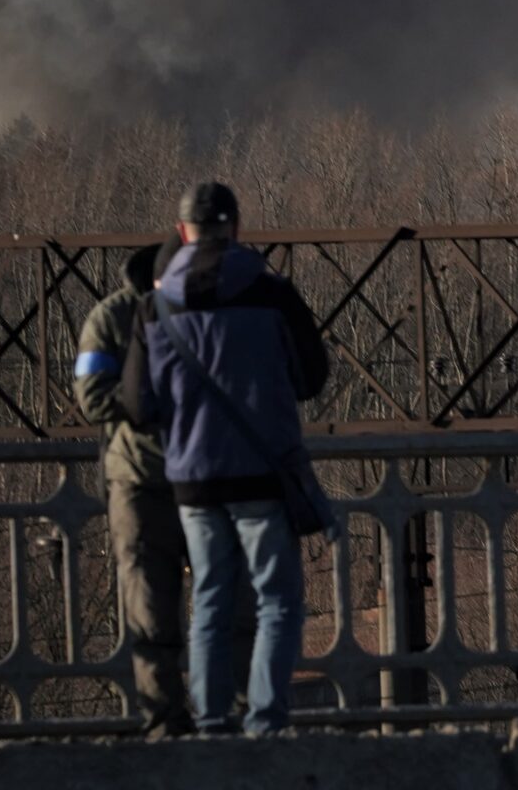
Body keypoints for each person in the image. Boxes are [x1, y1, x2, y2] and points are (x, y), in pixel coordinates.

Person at [123, 182, 329, 736]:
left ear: (182, 230)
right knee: (278, 602)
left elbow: (138, 406)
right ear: (237, 228)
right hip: (263, 478)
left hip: (194, 480)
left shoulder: (154, 305)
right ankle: (264, 724)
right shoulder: (273, 294)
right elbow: (312, 378)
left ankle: (211, 727)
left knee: (210, 603)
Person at [72, 239, 191, 736]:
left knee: (219, 612)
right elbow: (92, 398)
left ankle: (216, 719)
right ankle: (166, 727)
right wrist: (150, 397)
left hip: (197, 478)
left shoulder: (201, 308)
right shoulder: (113, 317)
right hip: (142, 482)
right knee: (150, 615)